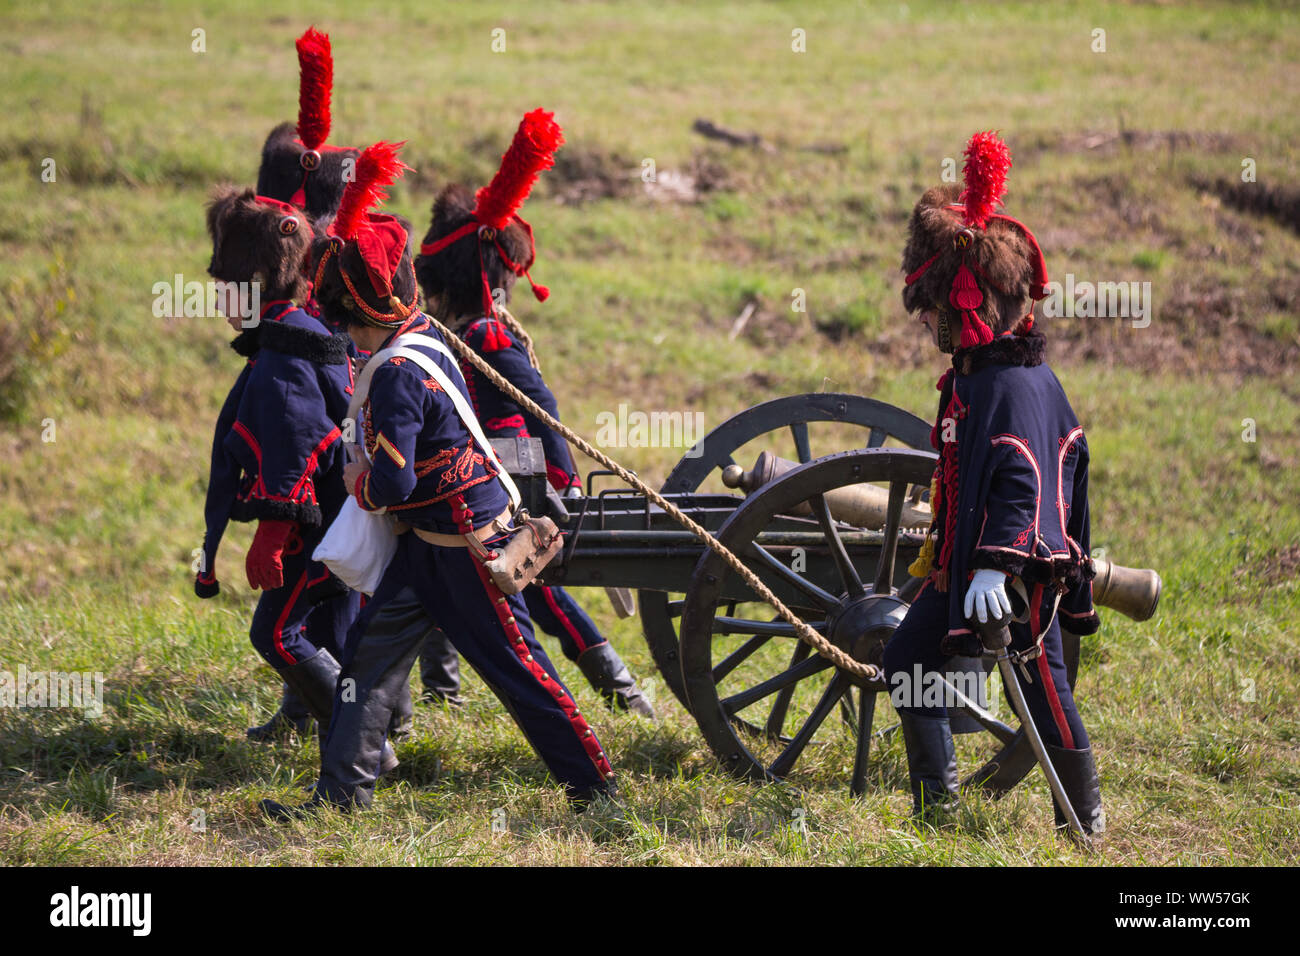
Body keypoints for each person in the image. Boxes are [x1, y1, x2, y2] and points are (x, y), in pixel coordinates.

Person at [261, 134, 616, 817]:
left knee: (522, 678)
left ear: (356, 311)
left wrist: (357, 476)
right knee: (364, 668)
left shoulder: (396, 373)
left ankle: (598, 792)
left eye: (339, 315)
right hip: (426, 549)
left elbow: (388, 486)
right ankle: (340, 799)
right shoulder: (421, 336)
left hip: (468, 553)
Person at [882, 131, 1104, 836]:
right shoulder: (976, 379)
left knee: (1044, 693)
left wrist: (994, 565)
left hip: (1019, 573)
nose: (923, 321)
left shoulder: (1015, 388)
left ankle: (1085, 822)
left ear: (965, 303)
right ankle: (937, 815)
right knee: (905, 656)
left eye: (929, 309)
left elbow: (1025, 481)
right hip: (963, 569)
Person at [411, 119, 655, 719]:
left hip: (511, 480)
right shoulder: (456, 333)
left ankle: (619, 688)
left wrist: (564, 482)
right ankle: (441, 693)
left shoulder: (486, 335)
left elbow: (542, 408)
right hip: (469, 477)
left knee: (536, 591)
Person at [194, 187, 393, 773]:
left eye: (224, 285)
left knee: (276, 636)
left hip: (315, 527)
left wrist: (272, 534)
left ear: (255, 278)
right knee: (335, 639)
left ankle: (368, 751)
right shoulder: (304, 326)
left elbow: (295, 438)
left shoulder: (284, 350)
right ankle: (364, 742)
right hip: (342, 518)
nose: (219, 299)